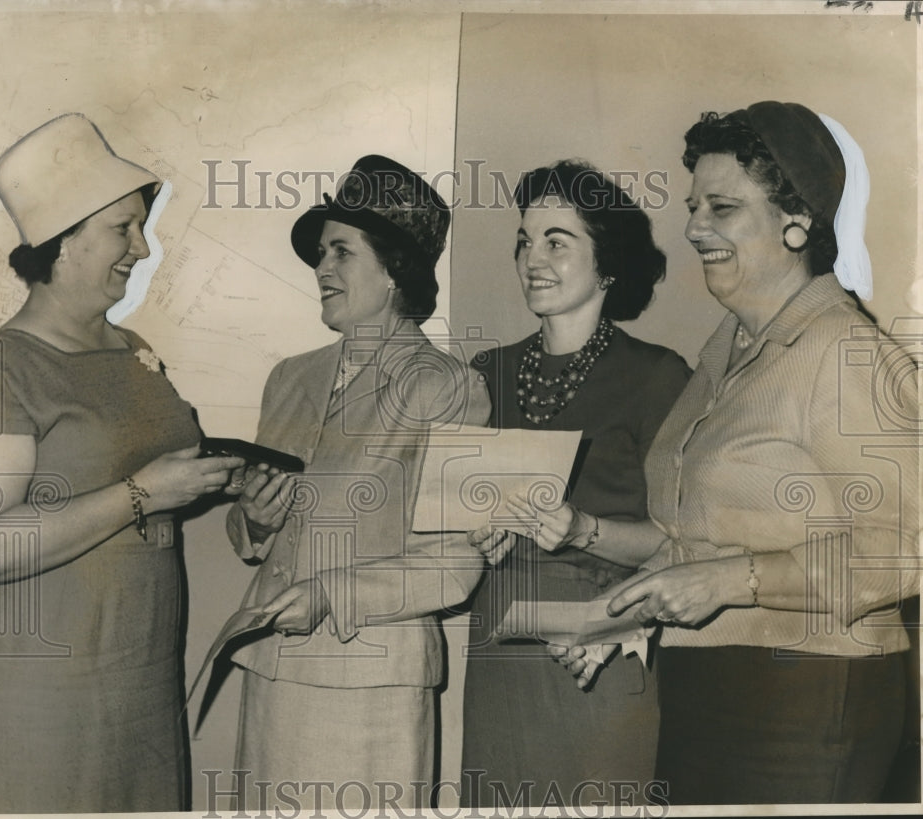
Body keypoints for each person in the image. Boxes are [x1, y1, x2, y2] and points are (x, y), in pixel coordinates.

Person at [555, 101, 920, 804]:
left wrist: (733, 581)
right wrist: (630, 611)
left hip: (810, 701)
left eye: (722, 207)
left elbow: (903, 545)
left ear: (799, 220)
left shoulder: (845, 352)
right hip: (704, 690)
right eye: (695, 206)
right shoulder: (725, 349)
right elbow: (694, 539)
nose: (694, 228)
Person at [0, 113, 243, 813]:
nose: (143, 247)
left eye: (141, 227)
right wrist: (140, 492)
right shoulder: (1, 367)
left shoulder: (132, 350)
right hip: (36, 694)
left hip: (137, 679)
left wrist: (221, 482)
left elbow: (153, 480)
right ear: (64, 240)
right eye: (123, 229)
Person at [224, 155, 491, 812]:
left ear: (395, 266)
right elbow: (251, 534)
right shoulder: (290, 377)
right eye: (321, 253)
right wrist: (254, 520)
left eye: (340, 251)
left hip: (369, 685)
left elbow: (455, 565)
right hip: (271, 671)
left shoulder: (449, 386)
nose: (321, 269)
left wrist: (329, 594)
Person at [460, 159, 691, 808]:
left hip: (597, 656)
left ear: (607, 262)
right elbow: (451, 514)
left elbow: (686, 544)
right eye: (525, 240)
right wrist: (470, 529)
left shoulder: (657, 375)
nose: (533, 257)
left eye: (557, 241)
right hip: (501, 653)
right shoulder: (488, 371)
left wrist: (584, 529)